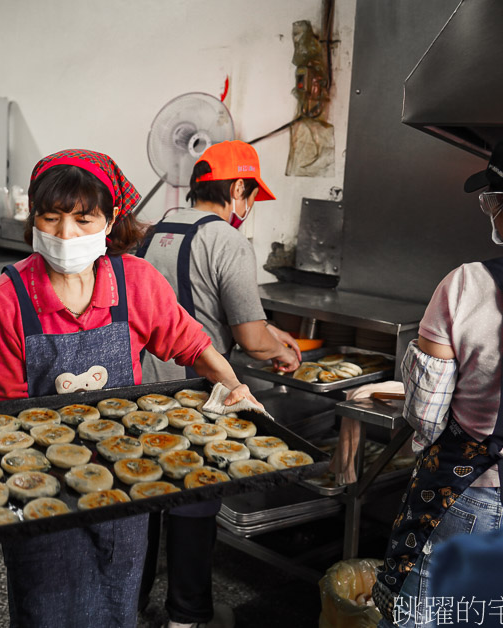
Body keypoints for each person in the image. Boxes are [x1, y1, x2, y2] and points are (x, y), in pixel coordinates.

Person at [0, 149, 261, 628]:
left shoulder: (135, 283)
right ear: (34, 222)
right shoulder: (5, 301)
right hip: (40, 489)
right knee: (47, 604)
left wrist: (234, 386)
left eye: (84, 220)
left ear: (110, 222)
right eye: (51, 218)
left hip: (122, 480)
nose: (66, 235)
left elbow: (190, 342)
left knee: (117, 598)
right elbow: (1, 416)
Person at [372, 121, 503, 627]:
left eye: (493, 201)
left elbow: (426, 418)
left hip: (474, 503)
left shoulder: (469, 284)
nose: (492, 212)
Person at [136, 140, 301, 628]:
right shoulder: (228, 241)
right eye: (249, 195)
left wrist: (276, 332)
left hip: (141, 389)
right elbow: (249, 338)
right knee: (194, 497)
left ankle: (128, 604)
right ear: (235, 189)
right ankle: (187, 617)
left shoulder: (151, 231)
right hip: (195, 391)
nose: (248, 207)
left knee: (143, 498)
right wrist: (281, 349)